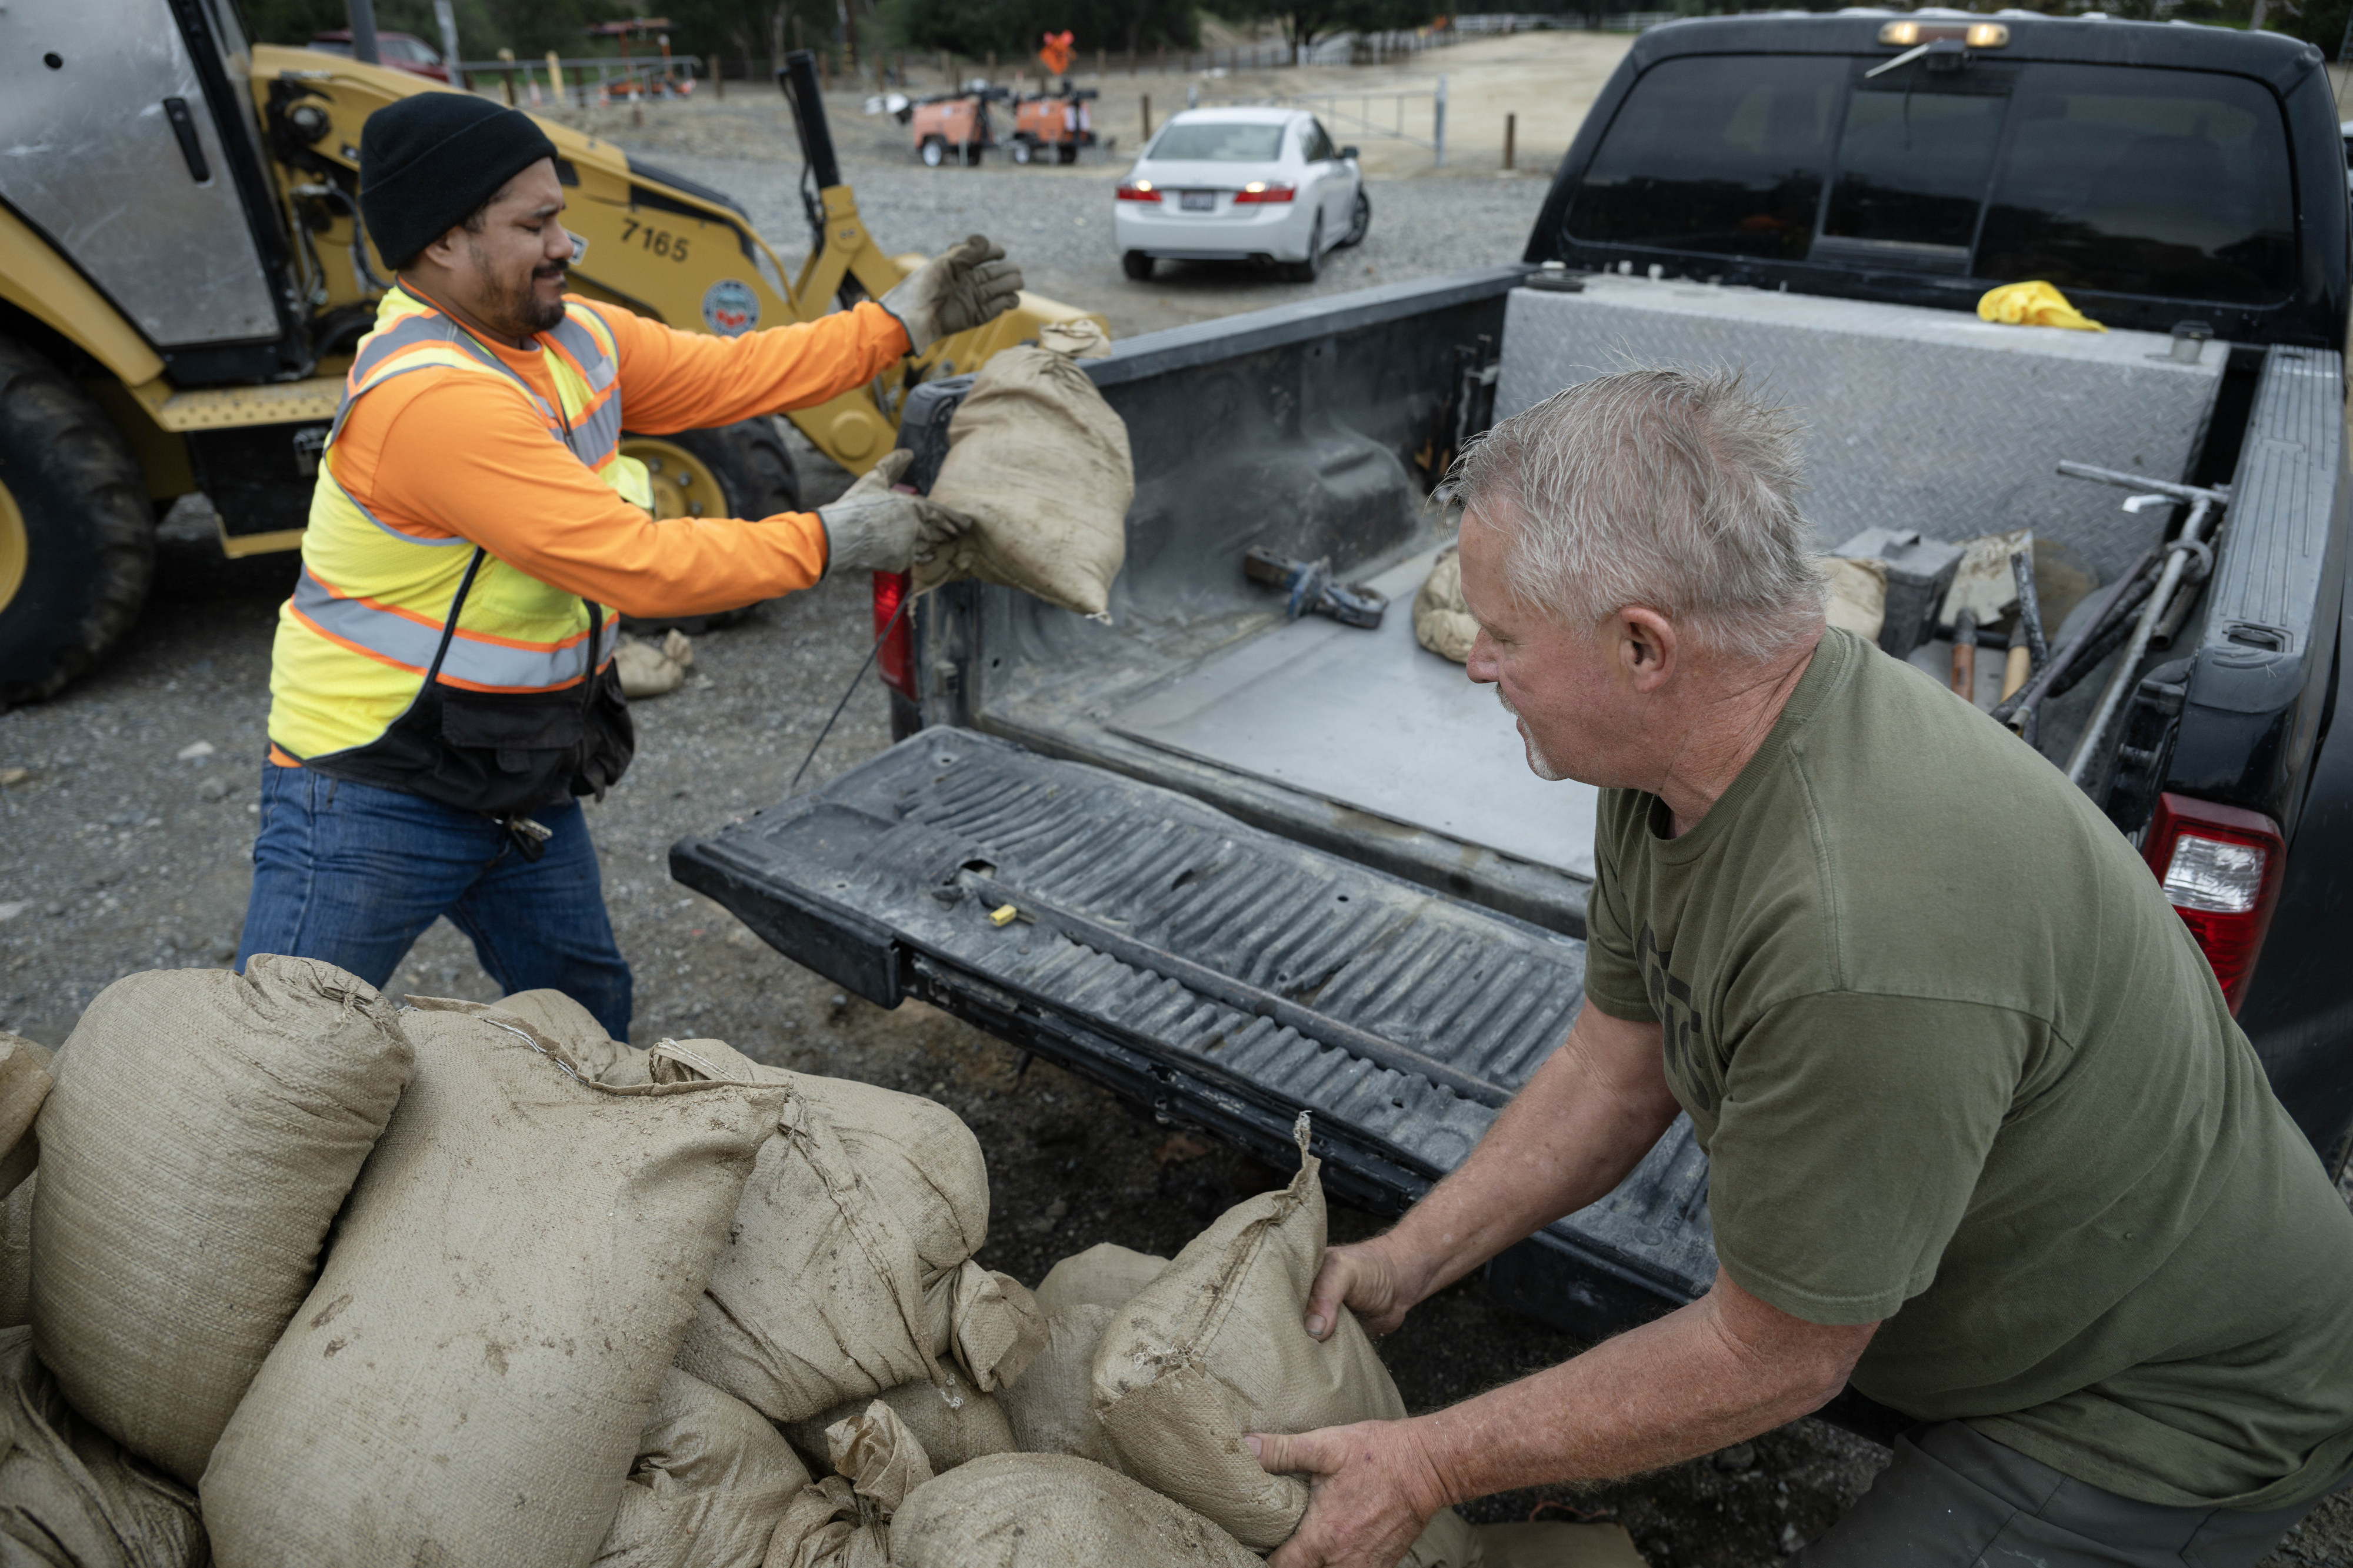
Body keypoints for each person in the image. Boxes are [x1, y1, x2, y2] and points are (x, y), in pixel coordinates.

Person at [1249, 368, 2353, 1567]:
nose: (1478, 666)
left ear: (1640, 645)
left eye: (1504, 635)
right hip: (2017, 1300)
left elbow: (1771, 1357)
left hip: (2164, 1402)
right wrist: (1411, 1257)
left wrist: (1430, 1460)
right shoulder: (1667, 766)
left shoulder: (1859, 936)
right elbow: (1613, 1074)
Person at [235, 92, 1020, 1039]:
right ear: (444, 242)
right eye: (536, 223)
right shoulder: (431, 399)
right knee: (278, 1054)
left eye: (559, 214)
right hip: (370, 786)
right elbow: (638, 565)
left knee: (583, 1008)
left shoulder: (569, 337)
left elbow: (736, 373)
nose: (567, 244)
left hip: (510, 764)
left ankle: (575, 1170)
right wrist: (833, 540)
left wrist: (896, 321)